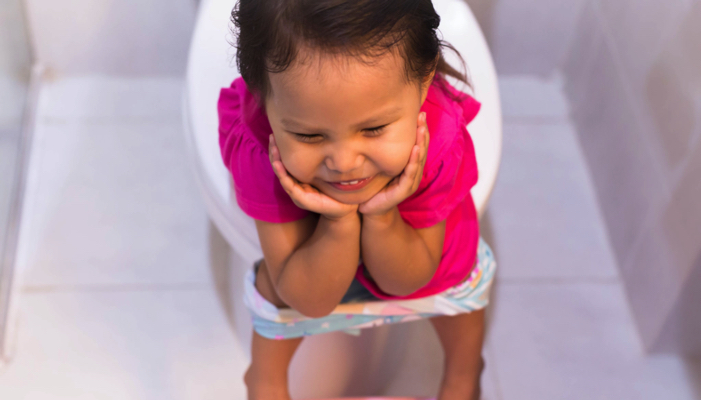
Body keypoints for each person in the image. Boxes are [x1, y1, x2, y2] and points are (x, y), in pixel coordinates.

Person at [218, 1, 496, 399]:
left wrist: (382, 216)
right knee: (279, 285)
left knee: (456, 266)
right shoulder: (263, 150)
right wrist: (338, 224)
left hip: (415, 252)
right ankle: (264, 377)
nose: (345, 164)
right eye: (310, 136)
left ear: (422, 83)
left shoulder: (438, 138)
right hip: (307, 263)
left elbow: (409, 279)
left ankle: (463, 371)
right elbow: (307, 299)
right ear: (264, 100)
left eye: (375, 128)